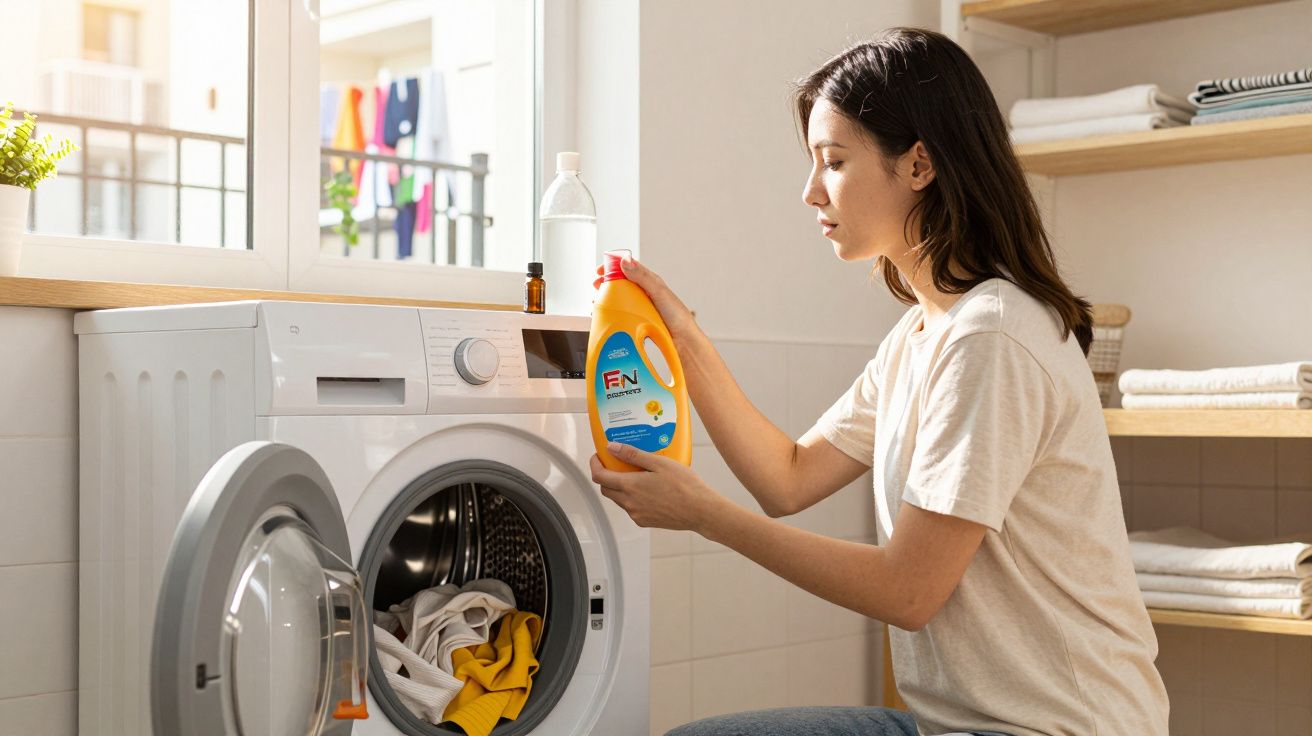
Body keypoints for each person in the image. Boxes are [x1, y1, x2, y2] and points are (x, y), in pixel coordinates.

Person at [588, 27, 1169, 736]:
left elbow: (909, 589)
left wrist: (703, 514)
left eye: (832, 161)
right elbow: (788, 478)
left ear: (919, 163)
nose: (809, 192)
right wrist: (684, 340)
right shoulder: (922, 335)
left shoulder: (991, 336)